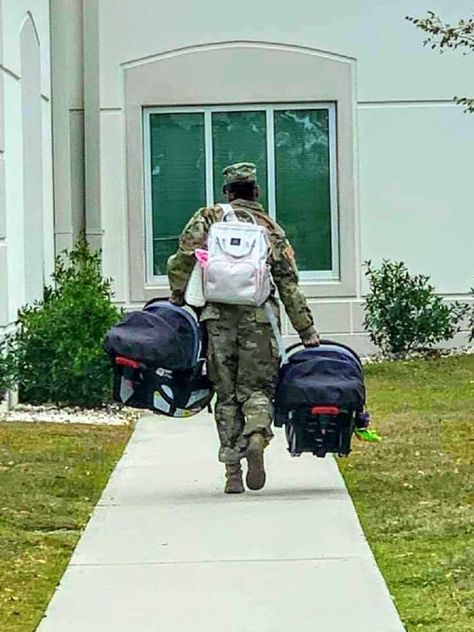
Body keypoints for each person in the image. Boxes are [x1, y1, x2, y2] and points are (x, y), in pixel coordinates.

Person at [167, 162, 319, 494]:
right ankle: (257, 437)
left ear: (227, 192)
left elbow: (181, 259)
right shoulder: (270, 228)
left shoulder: (209, 217)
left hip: (217, 321)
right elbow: (288, 284)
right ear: (257, 192)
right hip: (260, 320)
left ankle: (232, 472)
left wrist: (179, 297)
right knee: (258, 389)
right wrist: (306, 330)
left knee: (226, 394)